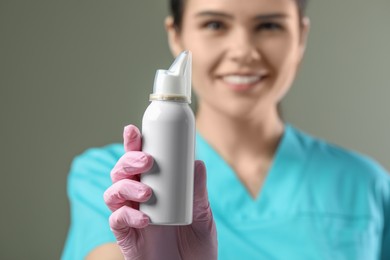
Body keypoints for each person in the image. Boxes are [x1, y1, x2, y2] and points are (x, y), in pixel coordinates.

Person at [62, 0, 390, 259]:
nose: (243, 51)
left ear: (301, 36)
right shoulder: (115, 181)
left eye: (270, 25)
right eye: (215, 24)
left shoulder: (366, 186)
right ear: (176, 35)